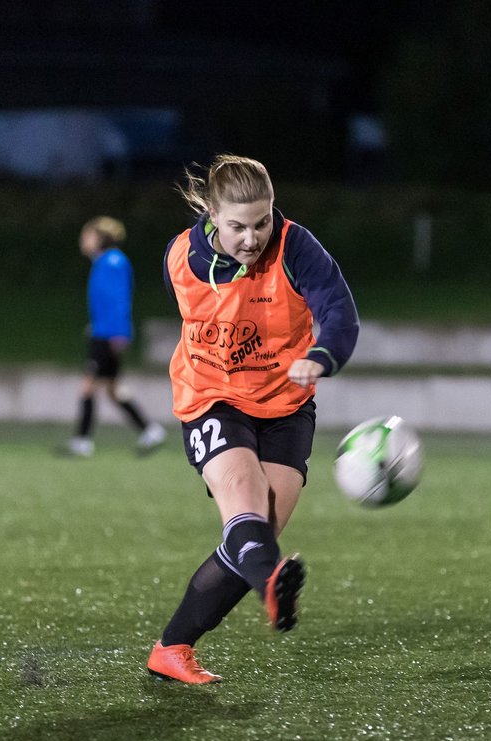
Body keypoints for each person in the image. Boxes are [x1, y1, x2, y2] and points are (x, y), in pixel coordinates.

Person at [146, 155, 360, 684]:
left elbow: (339, 310)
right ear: (212, 214)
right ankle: (273, 586)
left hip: (286, 406)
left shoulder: (295, 246)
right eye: (238, 225)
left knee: (254, 539)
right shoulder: (179, 255)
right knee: (242, 500)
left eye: (261, 222)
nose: (251, 237)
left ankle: (172, 648)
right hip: (211, 399)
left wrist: (324, 354)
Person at [68, 216, 166, 457]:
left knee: (88, 387)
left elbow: (119, 300)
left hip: (108, 334)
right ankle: (150, 431)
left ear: (100, 238)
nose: (83, 240)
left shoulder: (112, 262)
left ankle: (82, 441)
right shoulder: (102, 262)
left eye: (87, 235)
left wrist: (118, 332)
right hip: (102, 330)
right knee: (112, 389)